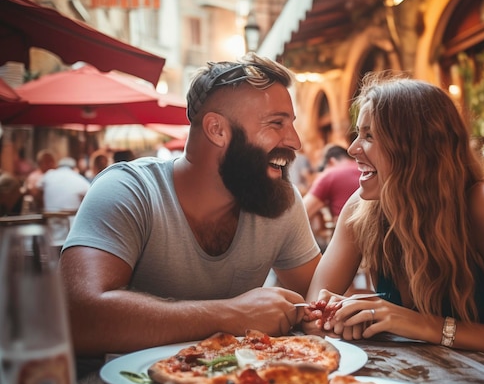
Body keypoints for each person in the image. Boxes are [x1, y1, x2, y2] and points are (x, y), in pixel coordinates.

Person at [302, 75, 484, 379]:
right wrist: (337, 315)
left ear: (415, 146)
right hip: (428, 383)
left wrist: (421, 325)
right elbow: (312, 313)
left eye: (369, 136)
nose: (352, 149)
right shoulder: (364, 208)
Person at [60, 53, 321, 356]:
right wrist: (233, 316)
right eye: (277, 123)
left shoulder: (278, 199)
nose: (295, 141)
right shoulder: (128, 189)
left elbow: (316, 299)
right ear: (217, 130)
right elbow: (76, 316)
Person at [303, 144, 361, 251]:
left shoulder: (330, 174)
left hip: (350, 242)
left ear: (331, 161)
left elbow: (302, 213)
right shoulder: (366, 170)